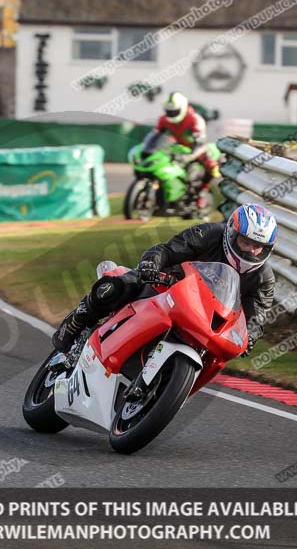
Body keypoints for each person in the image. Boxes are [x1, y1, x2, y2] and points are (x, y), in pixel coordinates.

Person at [52, 203, 278, 357]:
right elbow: (168, 250)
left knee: (219, 355)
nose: (251, 251)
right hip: (167, 285)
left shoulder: (263, 277)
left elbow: (256, 314)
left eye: (258, 247)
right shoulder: (210, 234)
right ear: (231, 234)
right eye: (245, 242)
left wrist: (250, 337)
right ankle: (79, 318)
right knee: (116, 286)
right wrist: (152, 264)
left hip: (205, 316)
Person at [155, 91, 219, 209]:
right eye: (169, 111)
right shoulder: (163, 119)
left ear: (183, 108)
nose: (172, 114)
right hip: (175, 148)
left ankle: (202, 193)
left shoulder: (195, 119)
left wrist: (190, 156)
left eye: (174, 111)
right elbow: (156, 136)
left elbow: (200, 143)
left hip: (195, 149)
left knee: (211, 165)